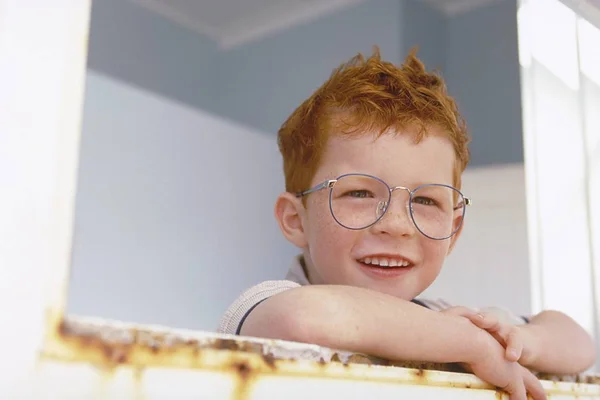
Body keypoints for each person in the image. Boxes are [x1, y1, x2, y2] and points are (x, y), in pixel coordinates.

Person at [217, 48, 596, 400]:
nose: (397, 225)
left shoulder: (448, 317)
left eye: (426, 200)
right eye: (360, 193)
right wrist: (470, 344)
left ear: (454, 230)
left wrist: (520, 342)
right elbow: (307, 317)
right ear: (295, 220)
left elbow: (579, 344)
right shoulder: (267, 305)